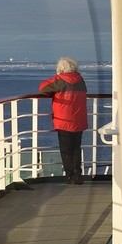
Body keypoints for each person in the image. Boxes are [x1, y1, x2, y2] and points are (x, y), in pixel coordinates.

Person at [39, 56, 88, 184]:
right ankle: (78, 174)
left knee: (66, 149)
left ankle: (70, 175)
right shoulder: (81, 80)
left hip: (64, 120)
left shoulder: (60, 80)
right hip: (79, 119)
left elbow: (43, 88)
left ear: (61, 69)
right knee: (76, 148)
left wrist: (57, 77)